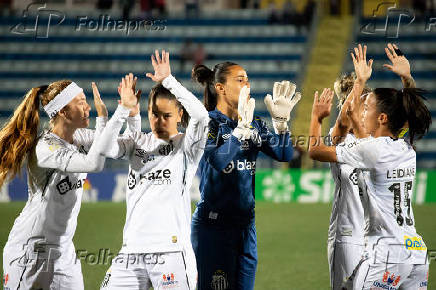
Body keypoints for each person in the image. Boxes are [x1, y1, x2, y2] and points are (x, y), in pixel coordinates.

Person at [308, 44, 431, 289]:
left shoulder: (370, 150)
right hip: (415, 250)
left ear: (383, 118)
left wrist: (315, 118)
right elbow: (412, 113)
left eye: (369, 107)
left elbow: (315, 150)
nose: (363, 113)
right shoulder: (404, 144)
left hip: (385, 252)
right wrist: (407, 78)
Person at [1, 76, 141, 290]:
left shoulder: (81, 137)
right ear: (63, 112)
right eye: (81, 101)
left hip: (63, 250)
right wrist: (118, 111)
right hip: (32, 250)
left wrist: (132, 113)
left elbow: (123, 147)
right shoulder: (45, 147)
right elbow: (93, 163)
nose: (87, 107)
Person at [100, 50, 208, 290]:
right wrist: (123, 111)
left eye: (166, 115)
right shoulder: (136, 141)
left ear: (180, 114)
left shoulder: (186, 147)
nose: (159, 121)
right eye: (154, 114)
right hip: (131, 251)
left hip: (172, 253)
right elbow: (104, 148)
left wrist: (169, 81)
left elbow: (202, 117)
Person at [191, 61, 301, 289]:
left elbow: (284, 154)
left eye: (248, 80)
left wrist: (281, 125)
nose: (247, 85)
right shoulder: (206, 122)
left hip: (246, 227)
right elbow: (218, 160)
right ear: (220, 88)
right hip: (213, 228)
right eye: (240, 80)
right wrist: (240, 131)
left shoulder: (255, 123)